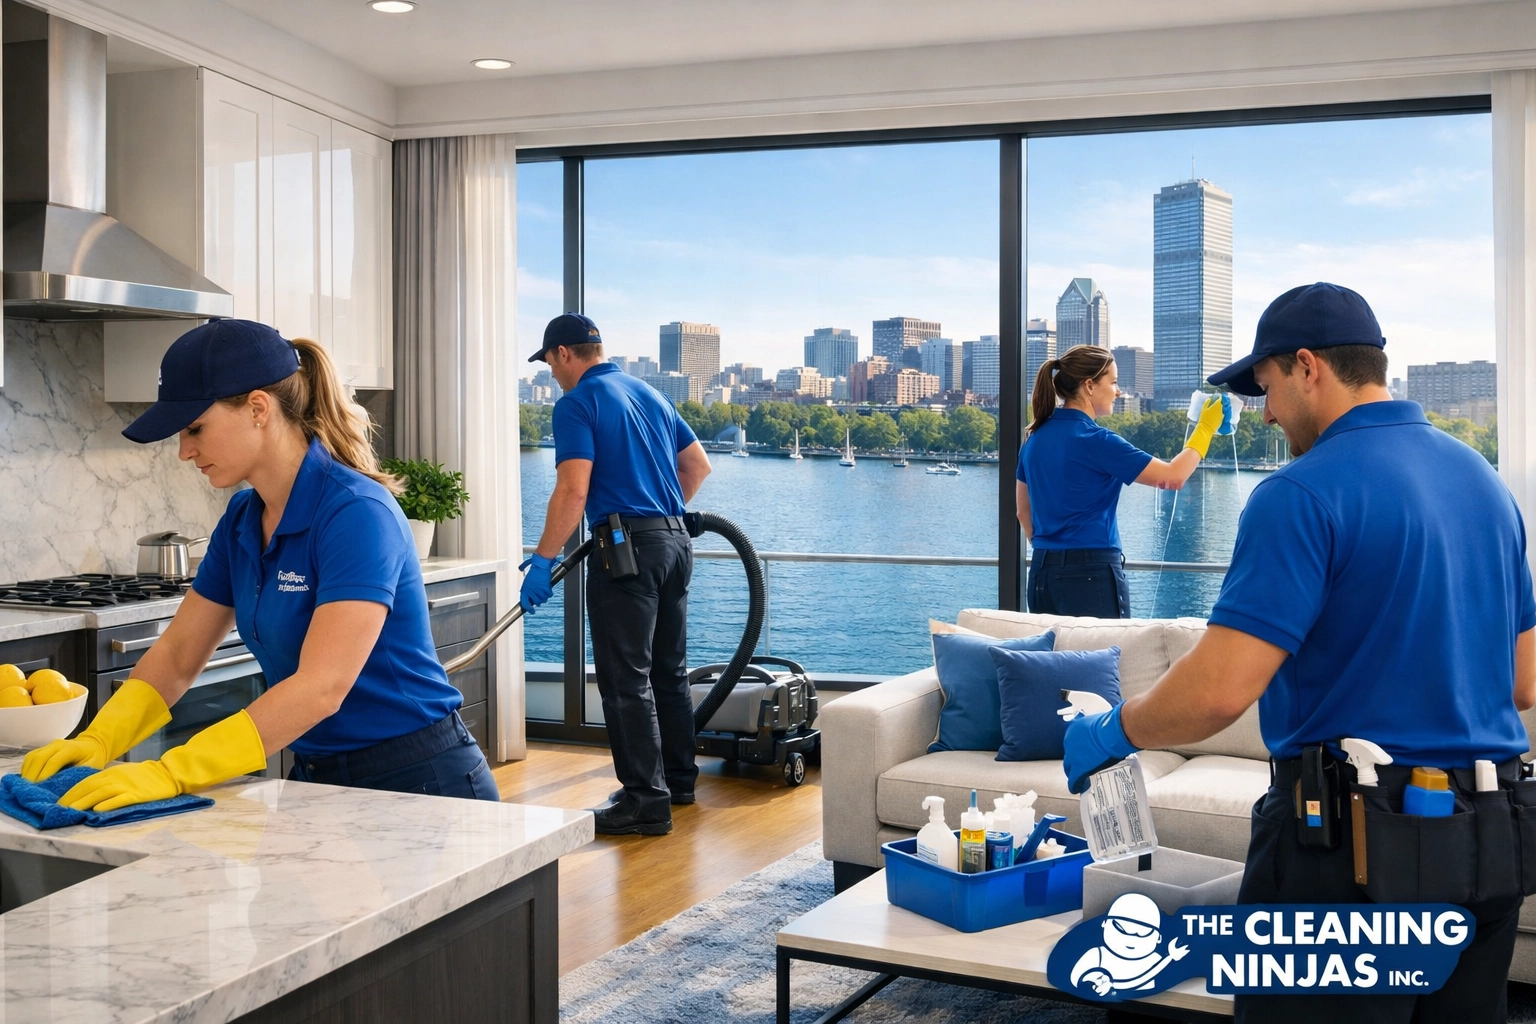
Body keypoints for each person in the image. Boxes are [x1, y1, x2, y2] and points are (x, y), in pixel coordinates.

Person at [1062, 283, 1536, 1023]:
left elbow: (1221, 691)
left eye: (1268, 387)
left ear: (1308, 367)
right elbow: (1523, 681)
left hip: (1348, 854)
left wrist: (1113, 730)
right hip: (1490, 844)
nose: (1267, 411)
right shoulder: (1486, 483)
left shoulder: (1300, 494)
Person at [22, 319, 498, 808]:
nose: (184, 451)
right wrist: (100, 740)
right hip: (314, 777)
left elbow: (322, 687)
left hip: (421, 782)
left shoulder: (356, 513)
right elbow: (181, 652)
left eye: (195, 428)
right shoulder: (242, 519)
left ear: (257, 409)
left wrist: (175, 771)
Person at [522, 313, 712, 836]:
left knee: (625, 682)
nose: (552, 376)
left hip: (626, 554)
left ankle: (644, 802)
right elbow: (698, 468)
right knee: (668, 673)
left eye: (549, 364)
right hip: (675, 544)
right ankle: (678, 783)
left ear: (563, 354)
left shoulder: (577, 403)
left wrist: (542, 559)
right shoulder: (650, 395)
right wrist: (658, 519)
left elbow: (573, 491)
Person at [1017, 344, 1225, 617]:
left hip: (1042, 574)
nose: (1118, 391)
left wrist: (1052, 553)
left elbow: (1023, 511)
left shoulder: (1034, 439)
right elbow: (1174, 476)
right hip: (1089, 575)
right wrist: (1206, 429)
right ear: (1089, 385)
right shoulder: (1097, 440)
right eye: (1113, 382)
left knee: (1052, 659)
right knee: (1101, 659)